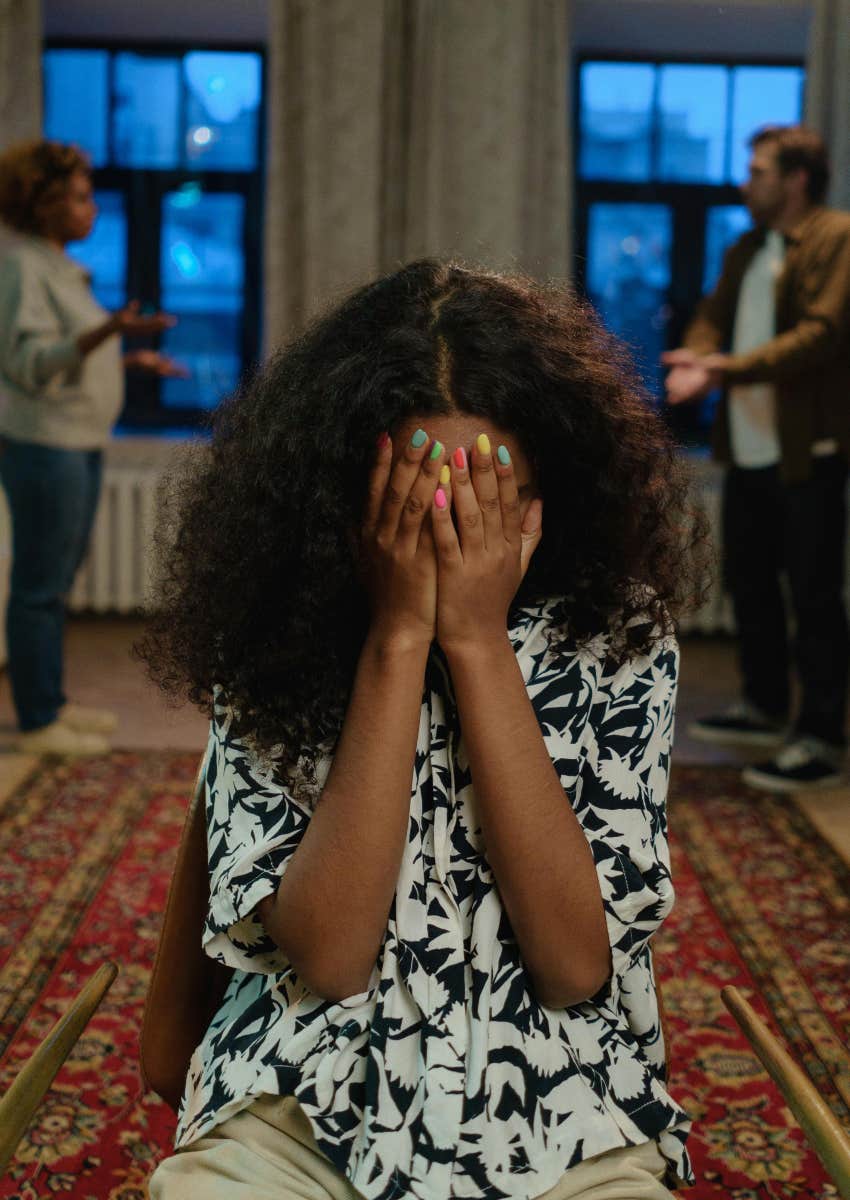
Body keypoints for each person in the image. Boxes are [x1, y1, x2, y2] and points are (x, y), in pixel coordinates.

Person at [138, 260, 703, 1199]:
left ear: (542, 501)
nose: (450, 540)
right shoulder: (278, 634)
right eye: (416, 504)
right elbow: (329, 953)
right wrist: (398, 641)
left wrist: (478, 644)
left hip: (566, 1109)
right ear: (348, 508)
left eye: (484, 504)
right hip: (296, 1102)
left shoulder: (616, 638)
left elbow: (572, 965)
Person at [663, 124, 850, 793]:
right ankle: (766, 707)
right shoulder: (746, 245)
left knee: (814, 595)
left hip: (809, 451)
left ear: (797, 179)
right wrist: (697, 353)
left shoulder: (836, 237)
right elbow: (711, 314)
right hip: (745, 446)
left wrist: (721, 371)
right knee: (751, 584)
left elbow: (821, 334)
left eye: (760, 170)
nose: (747, 182)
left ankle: (822, 737)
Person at [0, 139, 187, 756]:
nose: (94, 209)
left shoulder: (55, 265)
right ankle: (38, 720)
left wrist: (130, 356)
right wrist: (111, 329)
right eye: (80, 197)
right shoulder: (22, 265)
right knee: (40, 584)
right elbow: (30, 363)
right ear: (43, 201)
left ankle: (50, 703)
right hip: (44, 443)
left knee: (54, 582)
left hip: (75, 441)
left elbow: (69, 353)